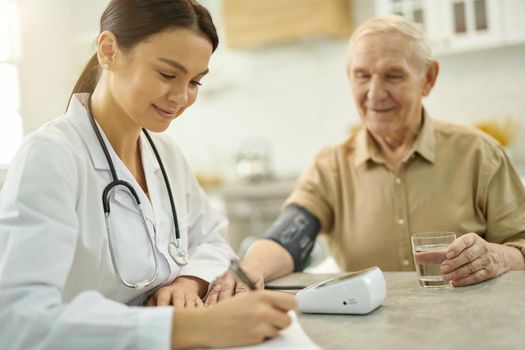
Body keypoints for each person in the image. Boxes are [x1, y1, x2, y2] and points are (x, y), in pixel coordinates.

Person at [0, 1, 297, 349]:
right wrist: (183, 328)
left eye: (195, 81)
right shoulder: (51, 156)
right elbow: (19, 319)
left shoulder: (165, 154)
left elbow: (213, 238)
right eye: (168, 75)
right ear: (109, 51)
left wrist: (188, 281)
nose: (182, 97)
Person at [205, 14, 525, 305]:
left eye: (393, 76)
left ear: (428, 77)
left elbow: (521, 248)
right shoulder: (330, 166)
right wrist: (247, 271)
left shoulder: (480, 153)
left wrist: (497, 256)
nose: (374, 93)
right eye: (362, 76)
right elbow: (290, 235)